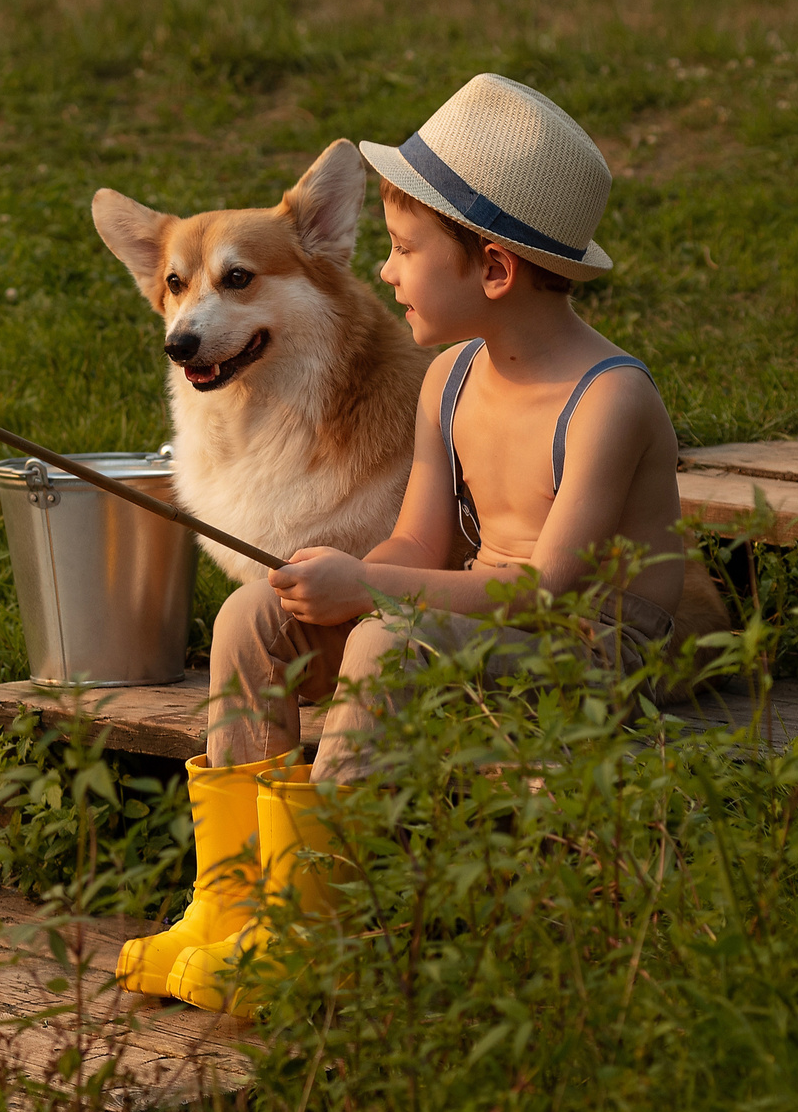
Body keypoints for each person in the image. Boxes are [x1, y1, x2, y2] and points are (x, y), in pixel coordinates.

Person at [122, 73, 699, 1012]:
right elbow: (421, 542)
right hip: (482, 621)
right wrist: (334, 579)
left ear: (496, 272)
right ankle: (231, 902)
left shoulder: (608, 398)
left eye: (401, 250)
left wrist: (374, 595)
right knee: (245, 616)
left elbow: (549, 591)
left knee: (388, 637)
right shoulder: (453, 379)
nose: (383, 273)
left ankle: (320, 922)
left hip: (594, 652)